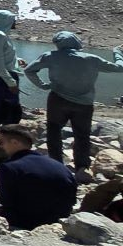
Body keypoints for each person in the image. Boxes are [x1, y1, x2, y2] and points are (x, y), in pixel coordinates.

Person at [26, 30, 123, 178]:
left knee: (54, 131)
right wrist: (117, 53)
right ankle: (82, 167)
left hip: (57, 100)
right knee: (82, 135)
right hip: (83, 104)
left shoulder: (50, 56)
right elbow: (119, 68)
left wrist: (44, 85)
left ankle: (56, 164)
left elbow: (29, 70)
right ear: (75, 41)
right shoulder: (91, 58)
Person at [0, 124, 78, 229]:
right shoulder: (59, 166)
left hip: (26, 222)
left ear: (15, 142)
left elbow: (6, 201)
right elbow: (73, 198)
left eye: (1, 142)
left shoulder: (9, 168)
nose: (0, 146)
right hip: (61, 219)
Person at [0, 11, 26, 125]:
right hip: (2, 76)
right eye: (13, 19)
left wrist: (17, 60)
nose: (15, 22)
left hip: (2, 75)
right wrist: (10, 82)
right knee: (9, 110)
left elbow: (1, 57)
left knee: (4, 108)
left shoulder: (1, 35)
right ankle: (1, 136)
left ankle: (0, 135)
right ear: (6, 20)